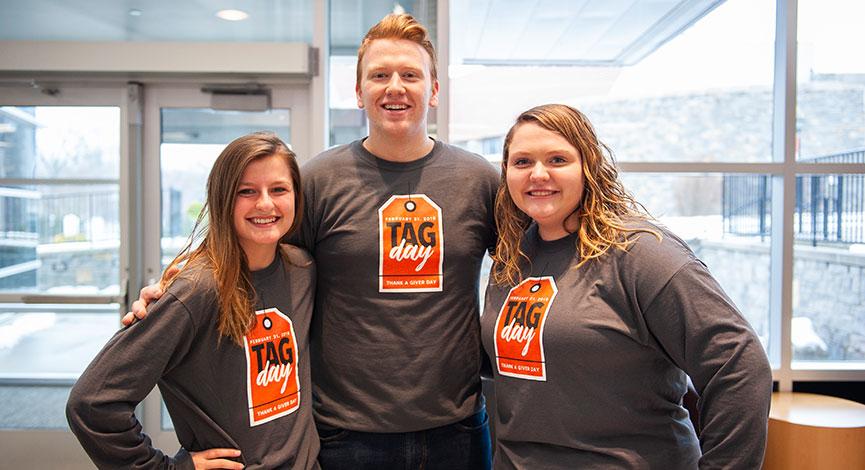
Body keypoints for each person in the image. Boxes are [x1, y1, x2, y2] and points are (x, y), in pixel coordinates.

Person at [124, 14, 497, 469]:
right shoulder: (318, 179)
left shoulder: (479, 180)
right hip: (344, 433)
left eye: (410, 75)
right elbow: (259, 252)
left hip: (457, 427)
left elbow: (529, 265)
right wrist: (180, 284)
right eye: (379, 75)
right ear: (359, 92)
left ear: (434, 90)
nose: (394, 87)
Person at [482, 104, 772, 469]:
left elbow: (738, 363)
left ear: (588, 166)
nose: (538, 174)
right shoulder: (511, 260)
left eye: (557, 159)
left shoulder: (639, 252)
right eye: (522, 162)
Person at [67, 133, 319, 469]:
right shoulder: (196, 289)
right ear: (222, 198)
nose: (265, 204)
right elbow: (92, 403)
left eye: (278, 190)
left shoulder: (303, 269)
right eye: (246, 191)